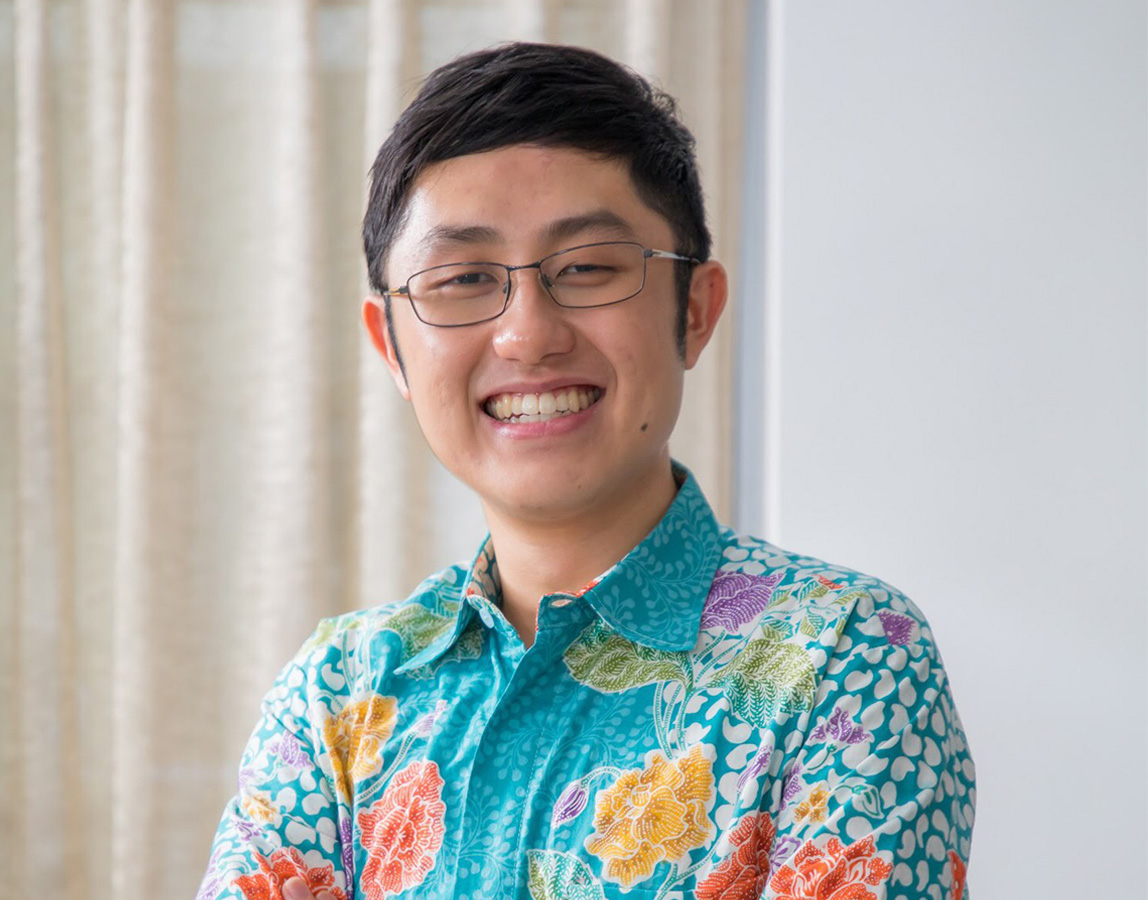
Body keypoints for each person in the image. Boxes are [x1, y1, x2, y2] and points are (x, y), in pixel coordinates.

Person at [198, 42, 975, 900]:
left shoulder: (846, 657)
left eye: (588, 269)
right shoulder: (339, 694)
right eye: (462, 278)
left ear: (696, 309)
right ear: (392, 347)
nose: (527, 335)